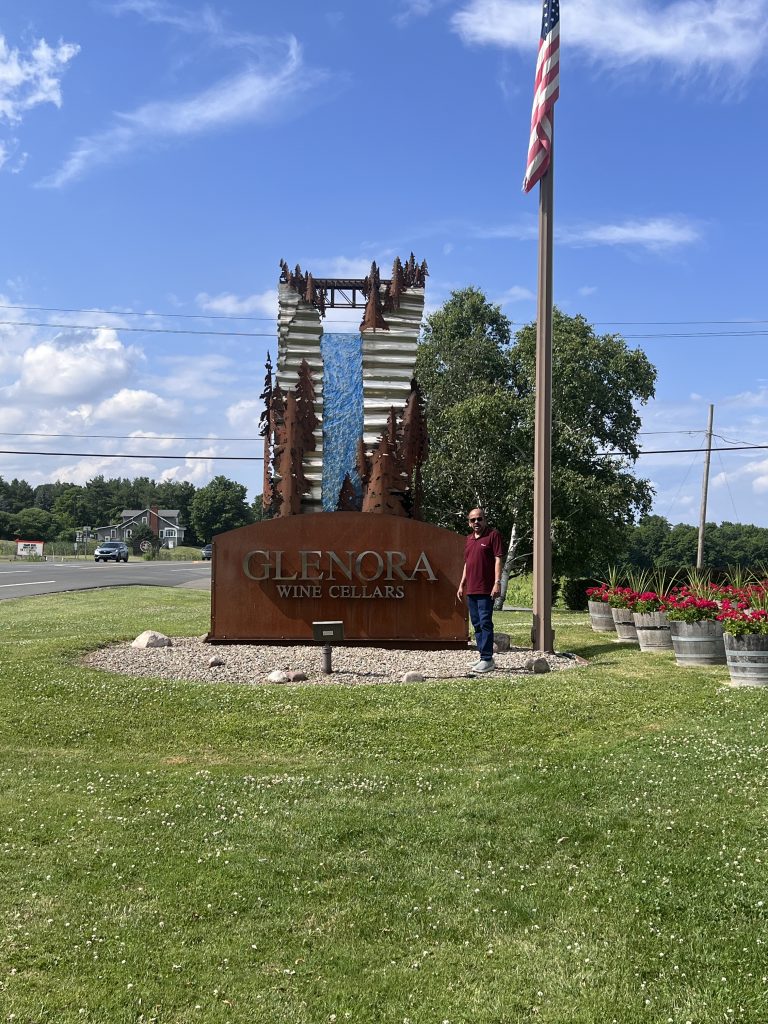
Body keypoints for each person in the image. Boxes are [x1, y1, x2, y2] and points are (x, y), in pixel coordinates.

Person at [457, 507, 504, 673]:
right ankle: (482, 656)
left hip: (486, 589)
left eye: (479, 519)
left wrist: (497, 582)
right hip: (472, 589)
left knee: (485, 622)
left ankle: (488, 659)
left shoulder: (493, 536)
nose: (476, 522)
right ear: (469, 523)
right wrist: (462, 584)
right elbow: (467, 564)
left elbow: (498, 560)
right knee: (476, 624)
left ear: (485, 519)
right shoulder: (469, 539)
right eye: (473, 520)